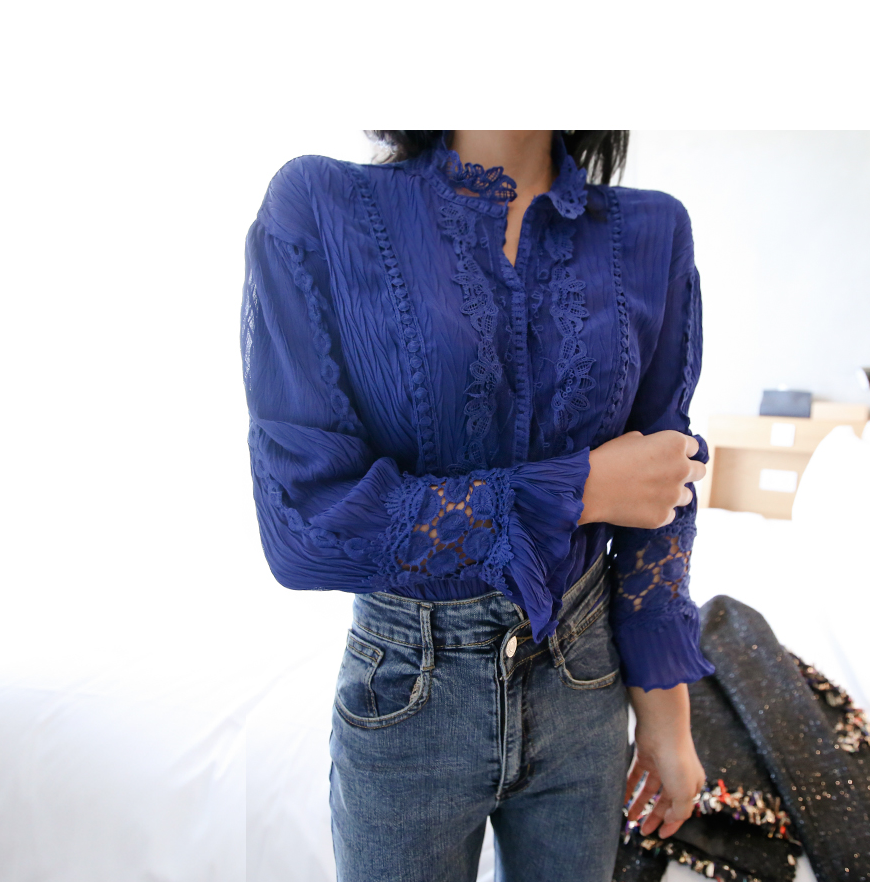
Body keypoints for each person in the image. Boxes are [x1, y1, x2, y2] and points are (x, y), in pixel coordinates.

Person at [239, 130, 714, 882]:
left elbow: (663, 485)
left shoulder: (653, 230)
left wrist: (666, 715)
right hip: (408, 690)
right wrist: (581, 488)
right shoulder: (320, 205)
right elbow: (306, 526)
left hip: (586, 678)